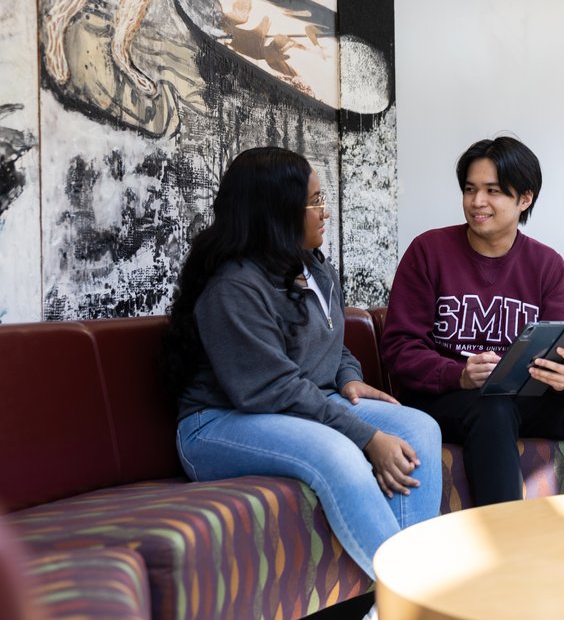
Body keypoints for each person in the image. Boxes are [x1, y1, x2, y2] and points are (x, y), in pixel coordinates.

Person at [161, 146, 442, 588]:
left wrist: (349, 378)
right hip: (219, 422)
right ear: (275, 211)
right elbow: (272, 387)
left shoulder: (312, 267)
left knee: (418, 428)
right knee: (340, 453)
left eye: (321, 197)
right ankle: (416, 594)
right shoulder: (233, 287)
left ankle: (394, 601)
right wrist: (367, 437)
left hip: (301, 403)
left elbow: (330, 342)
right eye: (313, 202)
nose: (324, 211)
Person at [380, 136, 564, 506]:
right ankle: (503, 545)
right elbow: (399, 348)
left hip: (523, 399)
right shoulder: (428, 252)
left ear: (523, 199)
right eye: (470, 189)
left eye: (492, 191)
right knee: (491, 406)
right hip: (446, 398)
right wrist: (458, 374)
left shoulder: (546, 265)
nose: (477, 202)